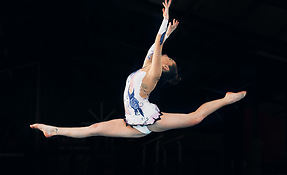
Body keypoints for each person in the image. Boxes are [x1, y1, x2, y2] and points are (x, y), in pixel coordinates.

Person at [30, 0, 246, 139]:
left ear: (164, 66)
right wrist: (167, 33)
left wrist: (164, 23)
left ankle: (227, 99)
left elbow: (158, 45)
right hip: (131, 123)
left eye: (168, 59)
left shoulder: (154, 74)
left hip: (149, 121)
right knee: (94, 128)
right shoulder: (145, 67)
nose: (167, 56)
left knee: (196, 118)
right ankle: (54, 130)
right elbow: (154, 47)